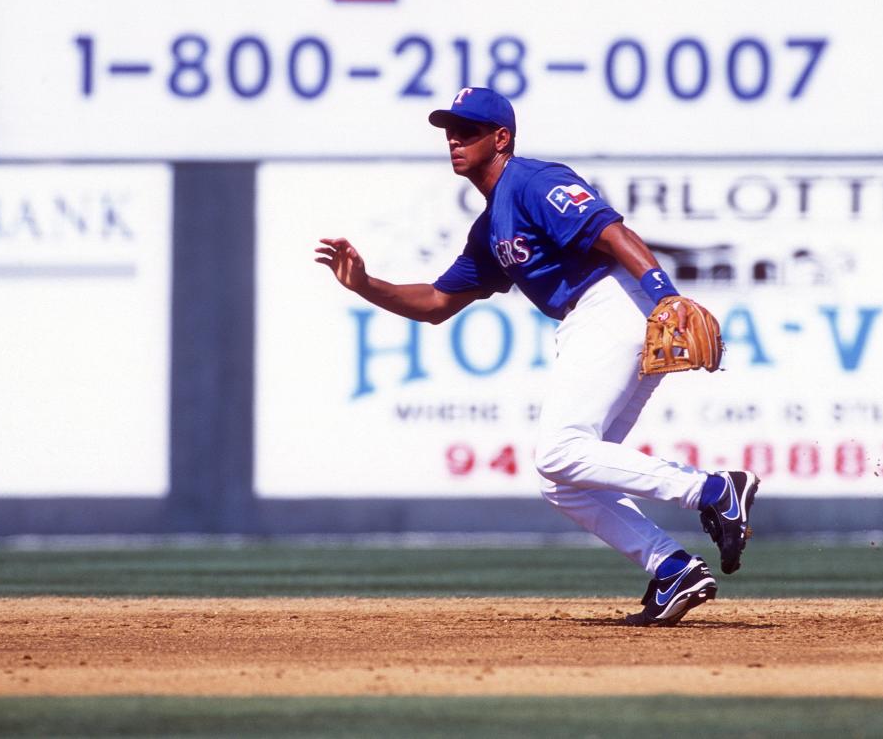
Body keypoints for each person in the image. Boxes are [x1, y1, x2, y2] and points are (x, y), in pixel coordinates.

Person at [315, 87, 759, 626]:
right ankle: (672, 567)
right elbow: (436, 304)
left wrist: (665, 294)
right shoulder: (490, 226)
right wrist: (366, 284)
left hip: (612, 302)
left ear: (500, 138)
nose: (454, 140)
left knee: (560, 451)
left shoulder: (533, 181)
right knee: (562, 480)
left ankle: (712, 489)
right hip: (598, 315)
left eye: (468, 130)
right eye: (450, 130)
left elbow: (611, 232)